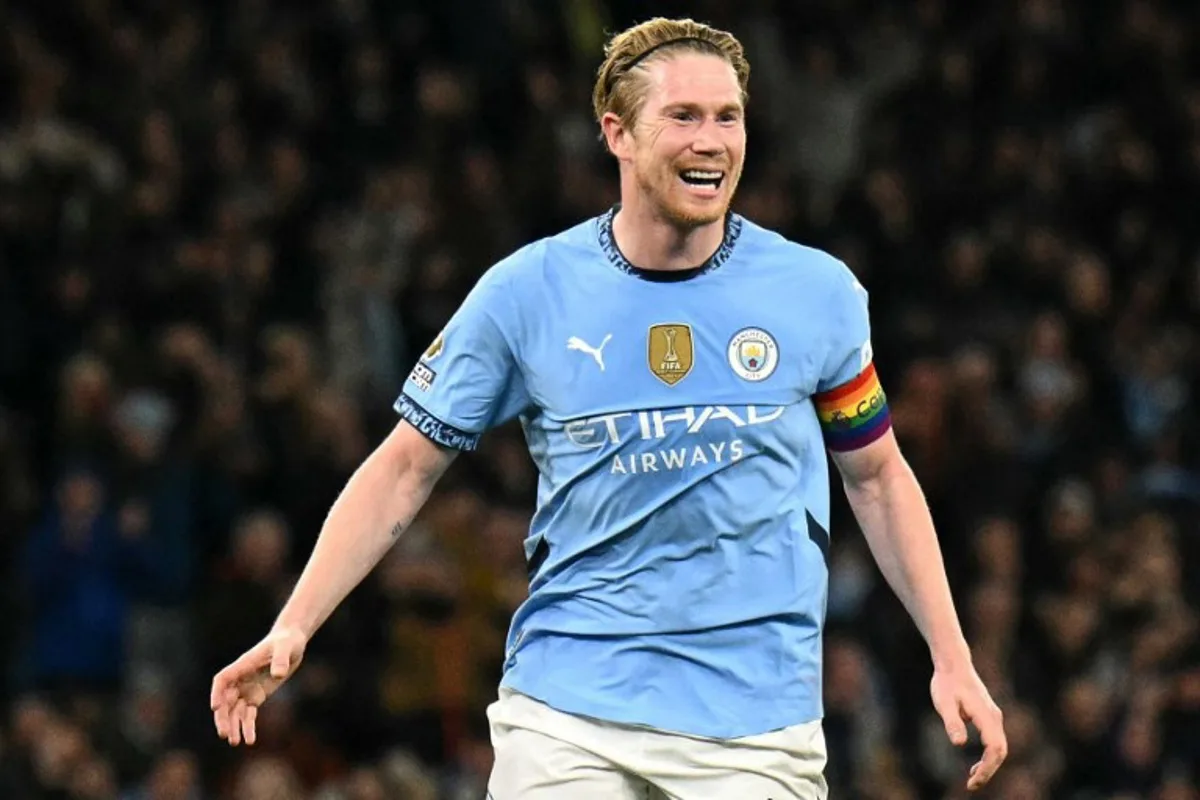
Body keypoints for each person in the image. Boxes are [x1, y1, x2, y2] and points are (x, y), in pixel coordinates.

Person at [210, 17, 1008, 798]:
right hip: (570, 714)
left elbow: (876, 478)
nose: (712, 140)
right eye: (684, 116)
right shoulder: (526, 293)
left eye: (728, 117)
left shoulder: (817, 294)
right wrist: (296, 622)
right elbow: (404, 466)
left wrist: (951, 652)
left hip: (755, 728)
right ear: (617, 134)